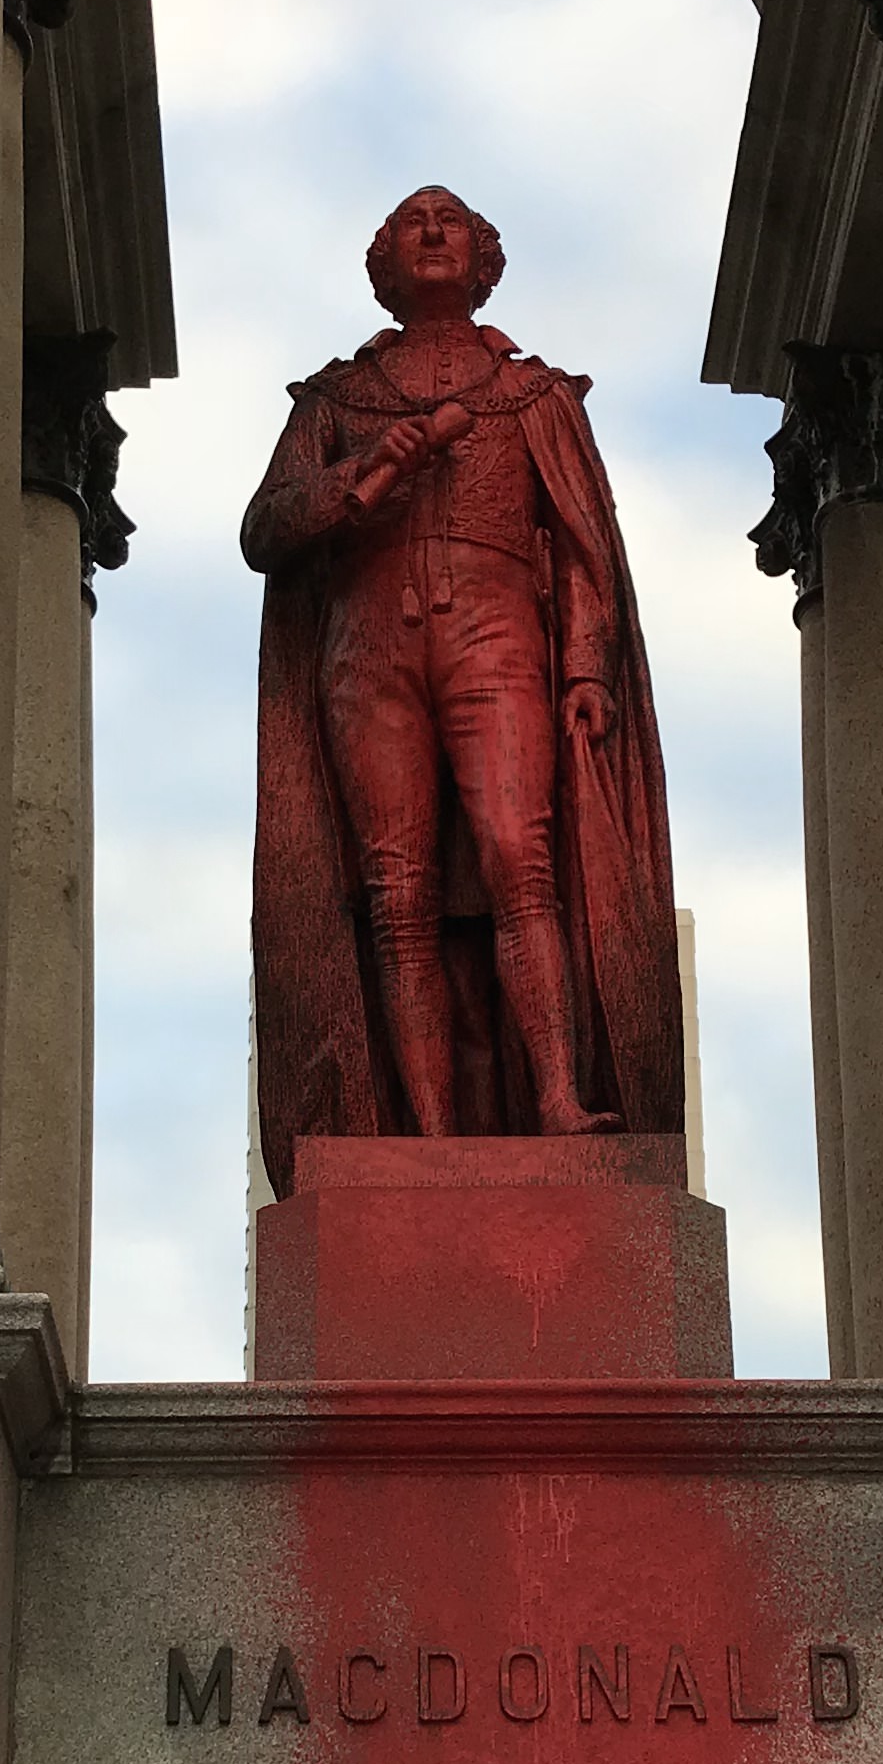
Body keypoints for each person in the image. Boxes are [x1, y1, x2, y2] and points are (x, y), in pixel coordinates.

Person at [243, 186, 685, 1190]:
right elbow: (267, 528)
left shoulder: (533, 394)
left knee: (519, 857)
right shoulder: (336, 401)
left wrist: (587, 664)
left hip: (496, 630)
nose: (435, 231)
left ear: (483, 260)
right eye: (414, 222)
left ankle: (559, 1100)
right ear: (385, 265)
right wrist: (363, 473)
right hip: (369, 646)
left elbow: (582, 543)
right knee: (397, 891)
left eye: (452, 221)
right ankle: (429, 1136)